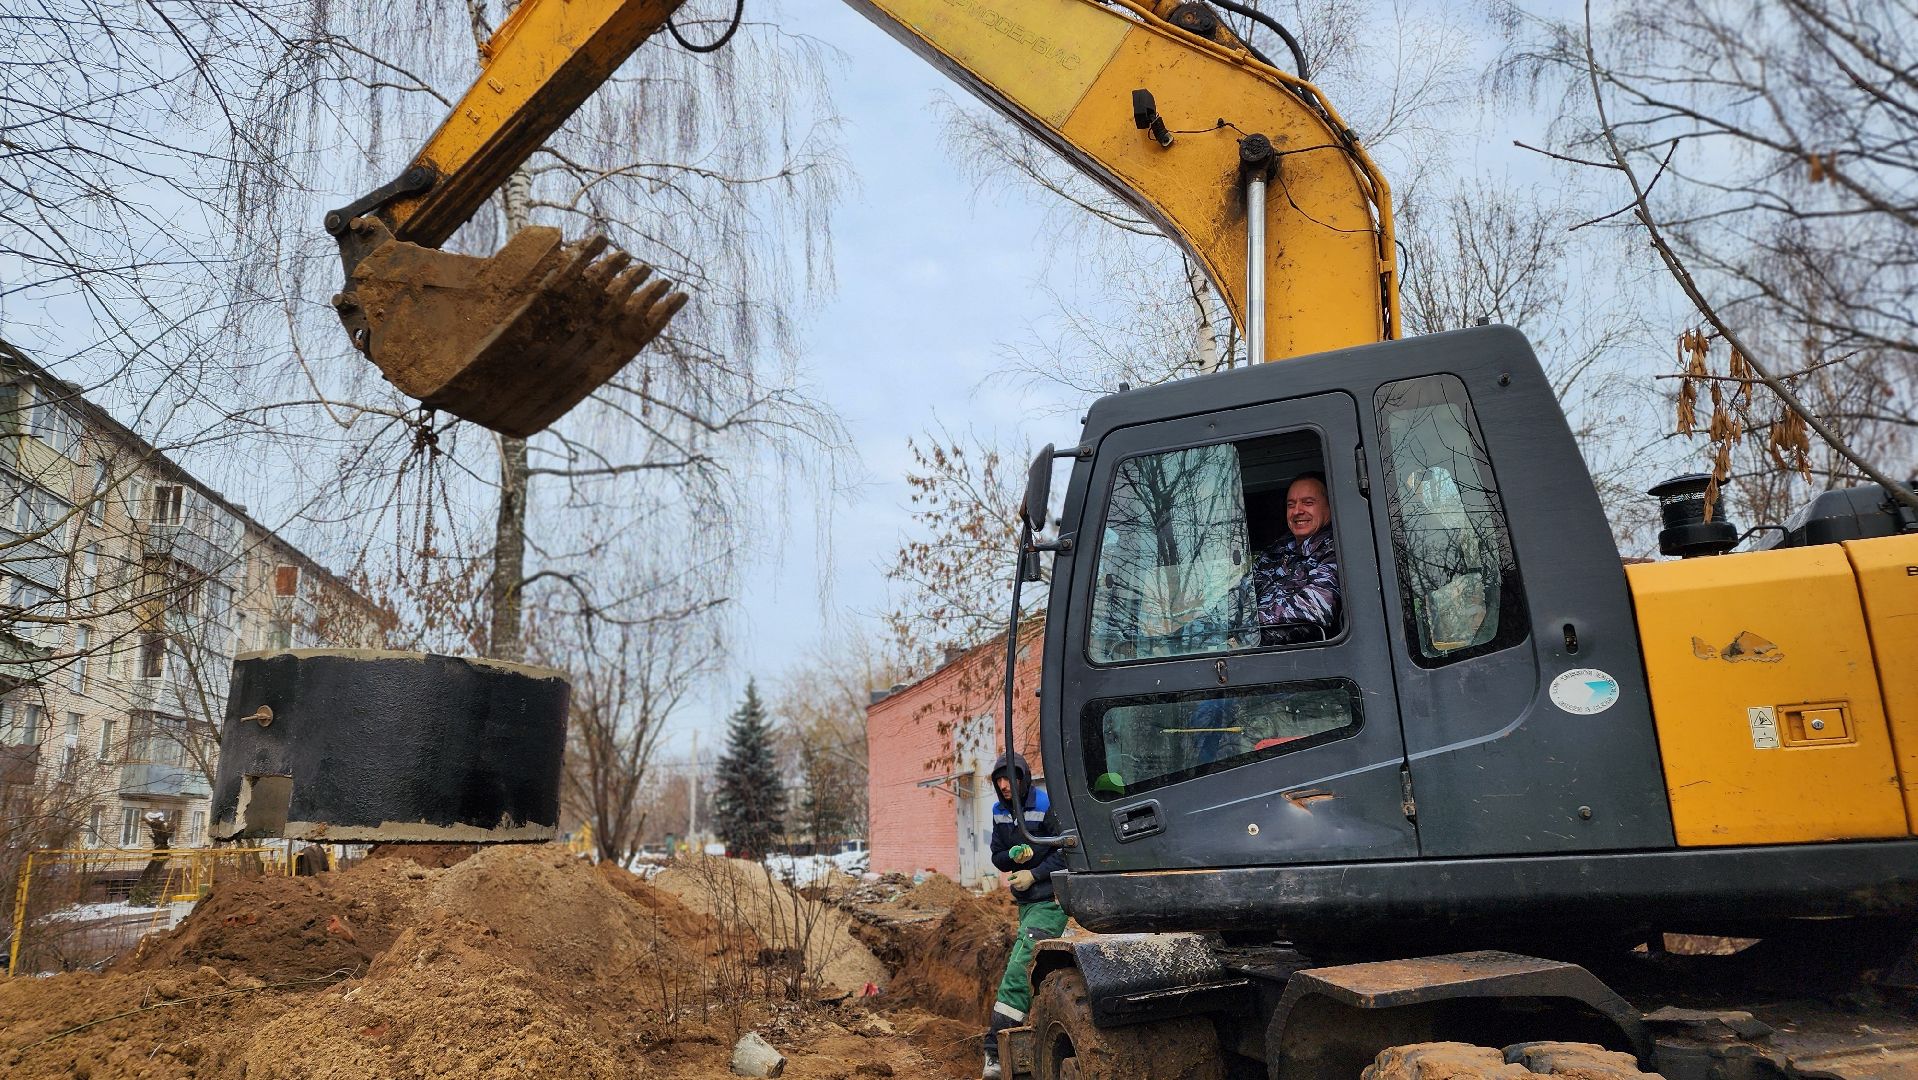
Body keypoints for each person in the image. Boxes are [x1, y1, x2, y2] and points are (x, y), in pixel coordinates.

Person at [982, 751, 1068, 1080]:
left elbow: (1067, 850)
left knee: (1019, 970)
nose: (1004, 785)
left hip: (1050, 901)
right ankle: (1033, 1038)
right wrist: (1012, 855)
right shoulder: (998, 811)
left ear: (1024, 778)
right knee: (1035, 973)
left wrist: (1035, 874)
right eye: (999, 780)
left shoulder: (1045, 805)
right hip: (1026, 904)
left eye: (1010, 778)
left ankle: (995, 1053)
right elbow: (997, 857)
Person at [1250, 471, 1340, 645]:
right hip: (1252, 651)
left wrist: (1246, 629)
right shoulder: (1274, 553)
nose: (1297, 511)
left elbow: (1314, 609)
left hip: (1303, 656)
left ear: (1329, 506)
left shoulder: (1337, 551)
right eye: (1291, 505)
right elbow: (1240, 598)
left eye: (1308, 503)